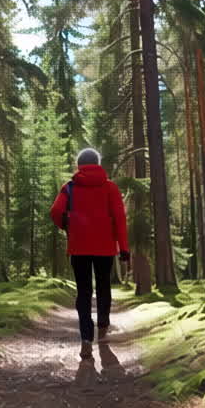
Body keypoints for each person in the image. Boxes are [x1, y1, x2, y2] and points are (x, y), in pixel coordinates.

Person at [49, 148, 130, 357]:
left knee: (84, 291)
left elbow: (55, 212)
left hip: (79, 246)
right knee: (103, 287)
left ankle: (86, 338)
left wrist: (66, 226)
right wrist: (124, 249)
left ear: (79, 165)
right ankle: (102, 329)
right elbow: (120, 219)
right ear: (98, 163)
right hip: (105, 247)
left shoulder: (69, 187)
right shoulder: (110, 188)